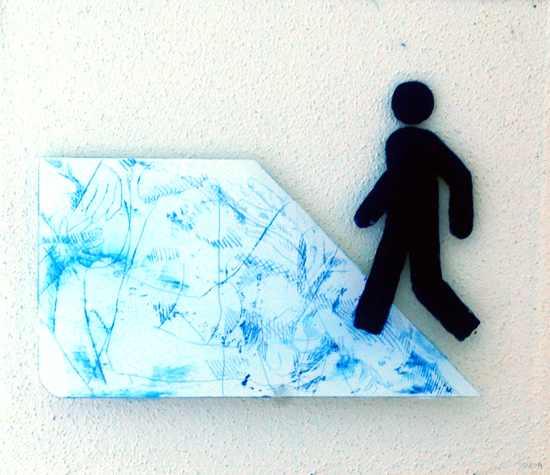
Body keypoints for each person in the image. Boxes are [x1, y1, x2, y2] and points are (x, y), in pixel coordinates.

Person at [354, 81, 480, 341]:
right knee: (425, 281)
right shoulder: (428, 143)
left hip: (400, 222)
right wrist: (460, 222)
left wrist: (367, 213)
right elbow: (459, 175)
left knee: (385, 273)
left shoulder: (398, 142)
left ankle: (368, 324)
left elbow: (390, 181)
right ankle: (463, 324)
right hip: (424, 222)